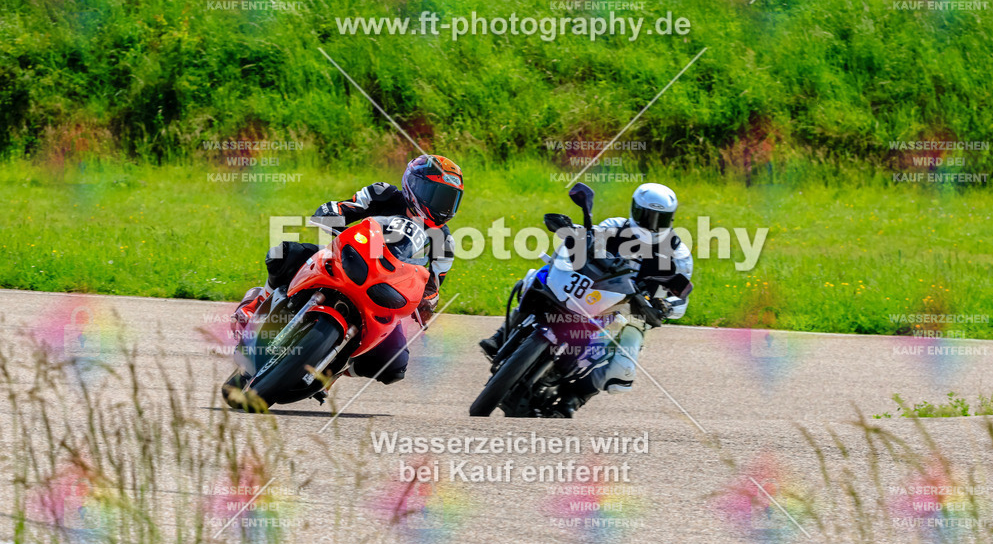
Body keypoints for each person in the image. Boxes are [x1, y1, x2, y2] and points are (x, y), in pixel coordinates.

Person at [231, 154, 463, 385]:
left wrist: (426, 302)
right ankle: (257, 301)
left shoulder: (444, 241)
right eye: (437, 195)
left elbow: (433, 285)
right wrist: (333, 213)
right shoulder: (383, 193)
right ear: (415, 185)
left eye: (449, 200)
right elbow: (346, 207)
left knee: (394, 366)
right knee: (283, 254)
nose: (442, 205)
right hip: (349, 260)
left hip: (384, 294)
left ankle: (337, 367)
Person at [479, 182, 693, 417]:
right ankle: (501, 336)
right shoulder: (615, 226)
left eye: (659, 219)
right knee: (538, 275)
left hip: (630, 311)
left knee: (622, 368)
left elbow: (681, 301)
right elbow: (589, 239)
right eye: (646, 215)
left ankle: (575, 397)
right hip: (593, 286)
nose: (651, 223)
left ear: (670, 219)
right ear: (634, 209)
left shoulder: (678, 254)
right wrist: (573, 233)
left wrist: (665, 307)